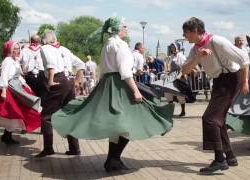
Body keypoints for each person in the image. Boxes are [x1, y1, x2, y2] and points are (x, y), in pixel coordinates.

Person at [50, 17, 174, 172]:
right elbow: (125, 72)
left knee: (118, 124)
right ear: (117, 29)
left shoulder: (107, 45)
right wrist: (135, 90)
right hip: (120, 85)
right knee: (129, 122)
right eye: (124, 26)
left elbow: (104, 70)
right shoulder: (120, 45)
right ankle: (113, 159)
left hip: (107, 83)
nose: (126, 28)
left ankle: (112, 159)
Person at [181, 17, 250, 173]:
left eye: (186, 33)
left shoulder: (217, 41)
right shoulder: (196, 49)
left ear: (196, 31)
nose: (184, 36)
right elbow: (184, 70)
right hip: (219, 82)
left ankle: (220, 159)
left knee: (209, 119)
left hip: (229, 79)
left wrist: (244, 82)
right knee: (218, 120)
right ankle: (230, 156)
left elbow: (244, 59)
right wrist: (198, 57)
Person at [35, 30, 85, 158]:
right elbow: (81, 64)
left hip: (58, 81)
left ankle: (48, 149)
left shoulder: (44, 48)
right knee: (69, 115)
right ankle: (75, 148)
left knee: (46, 117)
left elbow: (50, 65)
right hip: (69, 81)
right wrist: (78, 80)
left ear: (44, 40)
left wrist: (51, 80)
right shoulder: (64, 49)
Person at [0, 40, 41, 144]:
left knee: (14, 112)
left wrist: (26, 85)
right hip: (9, 89)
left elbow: (18, 75)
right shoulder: (8, 60)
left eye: (18, 48)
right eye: (15, 48)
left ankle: (7, 136)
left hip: (17, 88)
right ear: (9, 49)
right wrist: (4, 91)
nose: (17, 50)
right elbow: (4, 76)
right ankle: (5, 134)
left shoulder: (15, 60)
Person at [21, 34, 48, 104]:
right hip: (42, 75)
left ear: (30, 41)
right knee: (43, 95)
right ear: (39, 41)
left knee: (30, 95)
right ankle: (42, 111)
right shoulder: (44, 49)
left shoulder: (24, 50)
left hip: (29, 76)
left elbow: (19, 61)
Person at [165, 43, 187, 117]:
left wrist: (179, 76)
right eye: (171, 47)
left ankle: (183, 111)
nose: (172, 48)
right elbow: (167, 66)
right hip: (171, 76)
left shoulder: (181, 56)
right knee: (168, 93)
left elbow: (184, 67)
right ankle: (170, 111)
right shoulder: (171, 57)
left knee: (180, 94)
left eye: (173, 47)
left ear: (177, 47)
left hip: (179, 76)